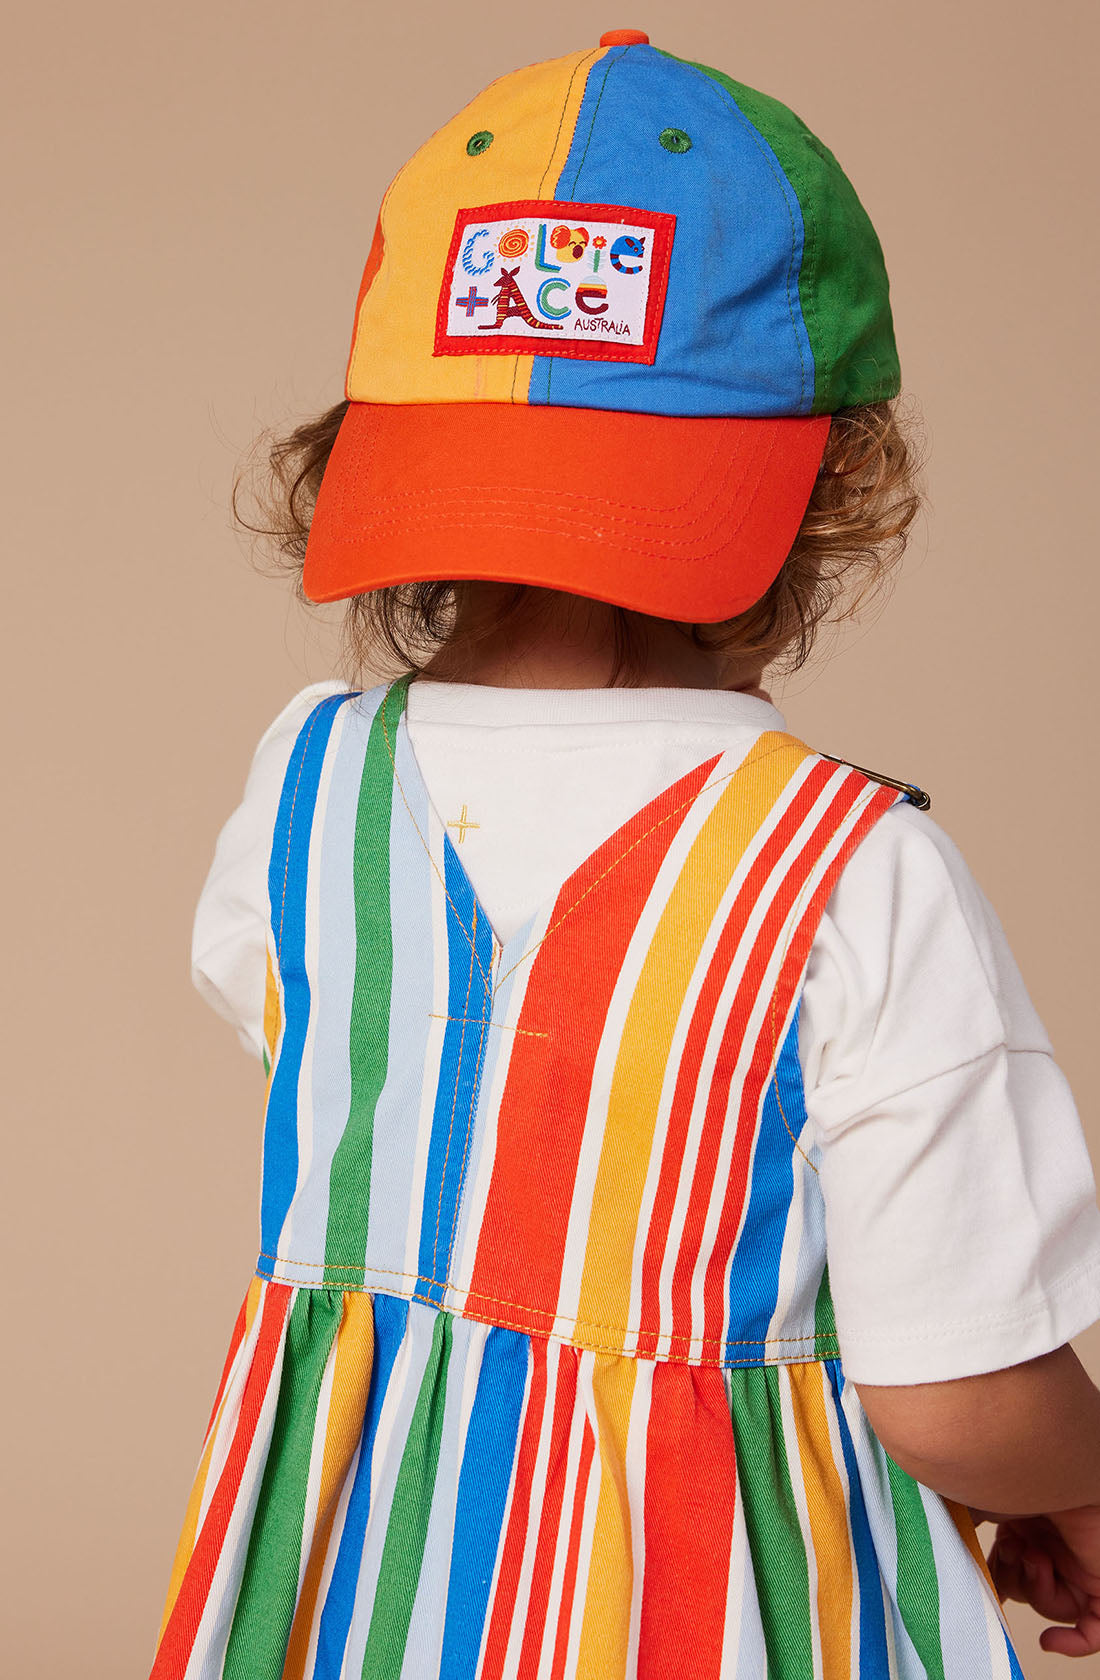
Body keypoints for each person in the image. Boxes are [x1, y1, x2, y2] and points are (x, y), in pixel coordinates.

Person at [148, 29, 1100, 1679]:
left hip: (357, 1603)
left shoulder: (305, 784)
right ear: (834, 488)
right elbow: (952, 1393)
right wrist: (1075, 1484)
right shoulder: (848, 868)